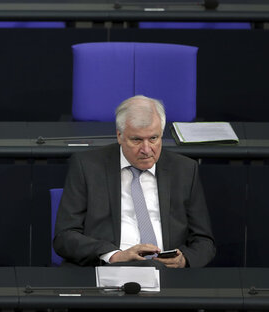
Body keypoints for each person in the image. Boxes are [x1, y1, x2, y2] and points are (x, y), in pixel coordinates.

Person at [53, 95, 215, 268]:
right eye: (137, 140)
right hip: (108, 268)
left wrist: (184, 260)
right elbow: (65, 236)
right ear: (120, 136)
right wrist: (114, 255)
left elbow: (204, 241)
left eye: (153, 138)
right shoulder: (87, 167)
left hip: (167, 274)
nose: (146, 150)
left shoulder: (184, 170)